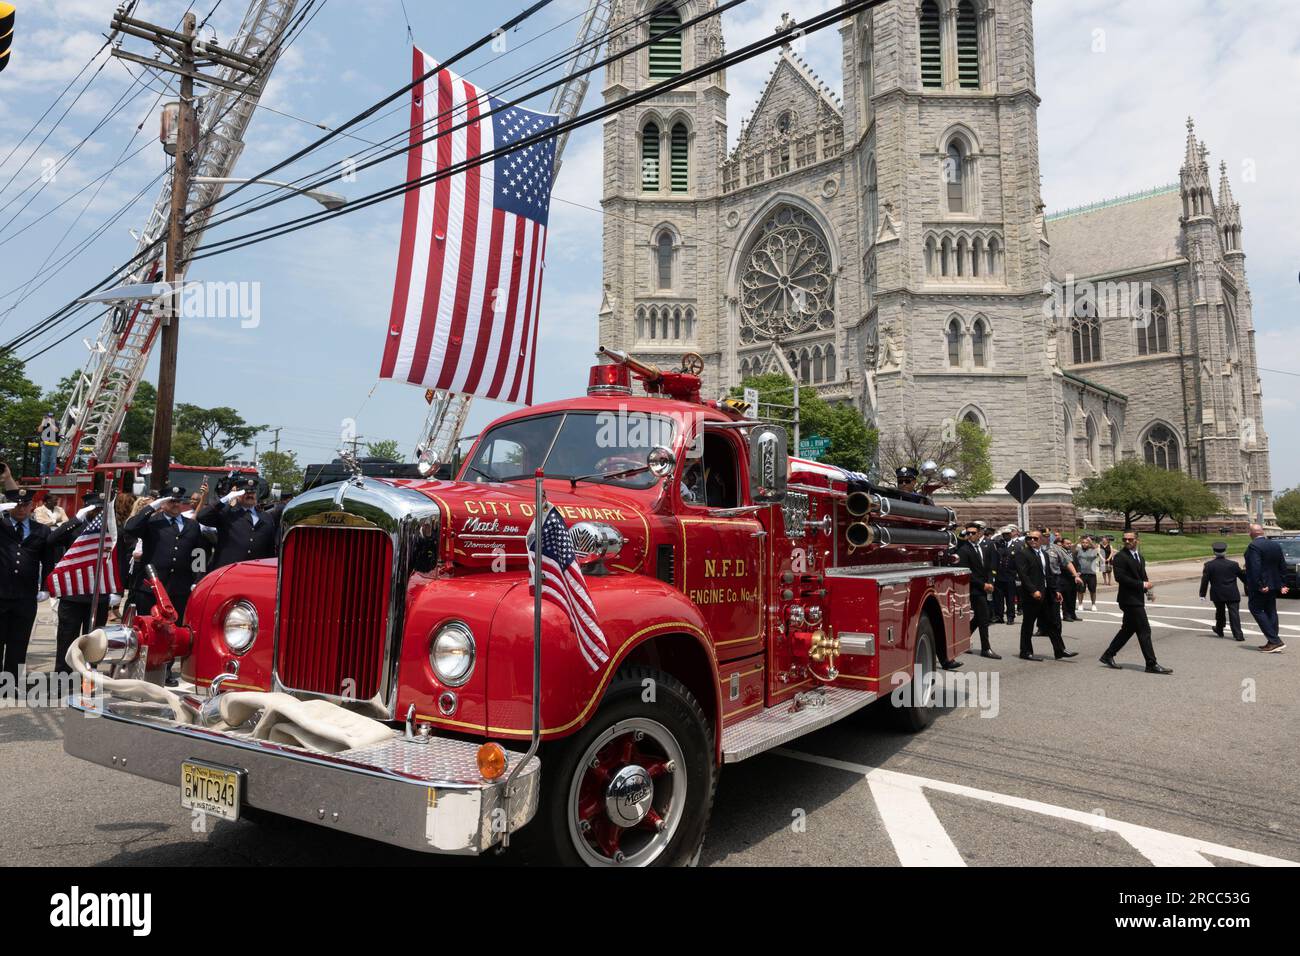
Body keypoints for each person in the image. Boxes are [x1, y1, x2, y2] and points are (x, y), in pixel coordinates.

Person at [45, 494, 119, 675]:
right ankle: (62, 675)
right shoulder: (75, 528)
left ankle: (89, 676)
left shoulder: (111, 528)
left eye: (101, 509)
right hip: (73, 594)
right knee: (67, 638)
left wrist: (118, 590)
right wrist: (76, 519)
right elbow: (51, 540)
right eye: (94, 509)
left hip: (99, 594)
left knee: (95, 642)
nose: (98, 512)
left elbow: (119, 560)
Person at [123, 484, 206, 624]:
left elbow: (199, 553)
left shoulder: (192, 525)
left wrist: (198, 580)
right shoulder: (152, 522)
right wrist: (151, 507)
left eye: (178, 501)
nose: (176, 504)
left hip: (179, 589)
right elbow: (130, 528)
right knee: (149, 628)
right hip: (151, 589)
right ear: (162, 502)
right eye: (171, 501)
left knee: (176, 631)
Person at [0, 487, 52, 685]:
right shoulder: (2, 525)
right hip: (1, 592)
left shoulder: (42, 530)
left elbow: (48, 561)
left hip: (25, 595)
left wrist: (45, 587)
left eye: (25, 505)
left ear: (32, 506)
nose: (21, 509)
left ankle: (11, 683)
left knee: (19, 641)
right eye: (17, 505)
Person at [1100, 531, 1172, 674]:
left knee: (1127, 630)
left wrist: (1149, 592)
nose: (1127, 541)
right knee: (1145, 631)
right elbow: (1120, 578)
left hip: (1137, 598)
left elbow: (1143, 576)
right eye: (1125, 539)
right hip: (1128, 600)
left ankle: (1108, 655)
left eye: (1130, 539)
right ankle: (1151, 664)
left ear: (1137, 540)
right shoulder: (1120, 557)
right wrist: (1141, 585)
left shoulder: (1140, 557)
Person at [197, 477, 280, 569]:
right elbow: (201, 517)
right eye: (246, 493)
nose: (250, 495)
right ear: (237, 494)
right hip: (229, 571)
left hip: (256, 572)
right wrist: (226, 499)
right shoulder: (227, 513)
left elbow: (270, 550)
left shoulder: (266, 517)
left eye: (252, 492)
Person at [1014, 530, 1070, 660]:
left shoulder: (1043, 554)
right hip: (1032, 595)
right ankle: (1025, 651)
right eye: (1029, 538)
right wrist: (1033, 590)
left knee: (1052, 623)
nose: (1032, 540)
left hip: (1045, 593)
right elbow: (1023, 575)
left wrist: (1055, 590)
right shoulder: (1023, 553)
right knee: (1028, 624)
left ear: (1041, 540)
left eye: (1035, 538)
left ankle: (1059, 650)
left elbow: (1048, 575)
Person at [953, 522, 1000, 658]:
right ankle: (986, 648)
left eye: (973, 533)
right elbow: (968, 572)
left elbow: (992, 566)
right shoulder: (963, 550)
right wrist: (982, 585)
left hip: (987, 586)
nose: (970, 535)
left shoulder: (987, 546)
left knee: (979, 618)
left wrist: (990, 582)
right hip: (975, 589)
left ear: (979, 533)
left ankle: (961, 640)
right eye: (968, 533)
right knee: (984, 618)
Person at [1243, 524, 1289, 652]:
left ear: (1251, 534)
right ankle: (1272, 642)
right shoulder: (1274, 545)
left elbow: (1255, 567)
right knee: (1271, 611)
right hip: (1274, 583)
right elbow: (1282, 565)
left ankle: (1275, 640)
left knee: (1256, 609)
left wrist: (1261, 585)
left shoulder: (1253, 546)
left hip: (1262, 586)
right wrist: (1283, 583)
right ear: (1262, 532)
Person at [1199, 541, 1246, 642]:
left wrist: (1202, 594)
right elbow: (1243, 577)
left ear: (1214, 552)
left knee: (1220, 612)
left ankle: (1219, 629)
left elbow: (1205, 581)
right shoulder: (1233, 564)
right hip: (1232, 592)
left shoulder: (1209, 565)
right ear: (1225, 551)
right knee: (1234, 613)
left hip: (1217, 593)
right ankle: (1238, 635)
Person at [994, 525, 1019, 624]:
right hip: (999, 575)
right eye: (1004, 535)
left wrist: (1017, 574)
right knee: (999, 598)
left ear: (1011, 534)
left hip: (1010, 575)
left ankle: (1010, 617)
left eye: (1007, 534)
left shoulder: (1017, 545)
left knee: (1010, 598)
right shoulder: (998, 544)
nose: (1006, 536)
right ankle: (999, 616)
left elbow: (1018, 561)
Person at [1074, 535, 1101, 611]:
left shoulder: (1093, 550)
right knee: (1080, 590)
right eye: (1083, 542)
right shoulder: (1078, 550)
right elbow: (1072, 548)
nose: (1084, 544)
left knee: (1093, 590)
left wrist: (1090, 542)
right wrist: (1078, 541)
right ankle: (1080, 604)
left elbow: (1097, 550)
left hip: (1091, 573)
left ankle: (1093, 604)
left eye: (1086, 543)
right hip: (1081, 573)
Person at [38, 411, 60, 477]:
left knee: (53, 460)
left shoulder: (56, 423)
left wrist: (50, 423)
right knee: (44, 460)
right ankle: (42, 474)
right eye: (48, 417)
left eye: (51, 417)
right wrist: (42, 423)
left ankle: (51, 474)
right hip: (45, 444)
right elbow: (39, 430)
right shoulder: (44, 423)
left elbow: (56, 430)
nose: (49, 418)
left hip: (54, 444)